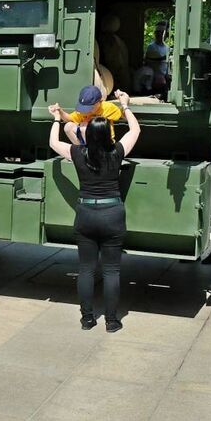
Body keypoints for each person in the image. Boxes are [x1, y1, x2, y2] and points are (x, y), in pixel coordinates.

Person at [48, 89, 140, 332]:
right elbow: (135, 131)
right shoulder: (117, 152)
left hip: (86, 215)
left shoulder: (78, 153)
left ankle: (87, 319)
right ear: (107, 134)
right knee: (112, 272)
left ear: (87, 134)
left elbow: (53, 143)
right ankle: (111, 321)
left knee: (86, 270)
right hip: (112, 214)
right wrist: (126, 105)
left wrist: (57, 118)